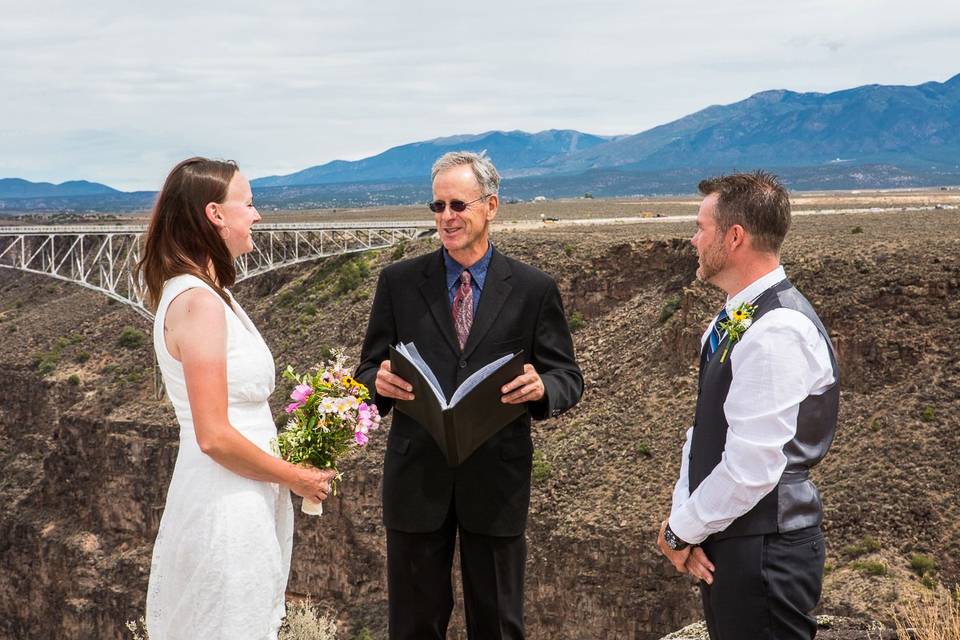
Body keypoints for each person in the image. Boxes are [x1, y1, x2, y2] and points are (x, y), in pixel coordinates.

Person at [355, 151, 583, 640]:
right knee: (413, 626)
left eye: (458, 204)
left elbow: (567, 375)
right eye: (437, 207)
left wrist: (544, 388)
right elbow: (367, 369)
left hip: (496, 483)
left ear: (491, 206)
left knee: (499, 625)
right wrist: (376, 382)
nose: (446, 217)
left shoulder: (532, 289)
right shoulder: (397, 283)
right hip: (416, 481)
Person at [136, 157, 335, 640]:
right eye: (247, 203)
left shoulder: (209, 293)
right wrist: (298, 477)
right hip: (225, 502)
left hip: (242, 494)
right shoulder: (199, 302)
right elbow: (215, 436)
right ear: (215, 215)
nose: (257, 215)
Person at [657, 171, 839, 640]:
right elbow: (702, 430)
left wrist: (682, 530)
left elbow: (752, 466)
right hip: (736, 547)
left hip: (766, 554)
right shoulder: (738, 315)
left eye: (700, 227)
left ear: (734, 237)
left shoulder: (777, 329)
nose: (693, 239)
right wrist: (687, 522)